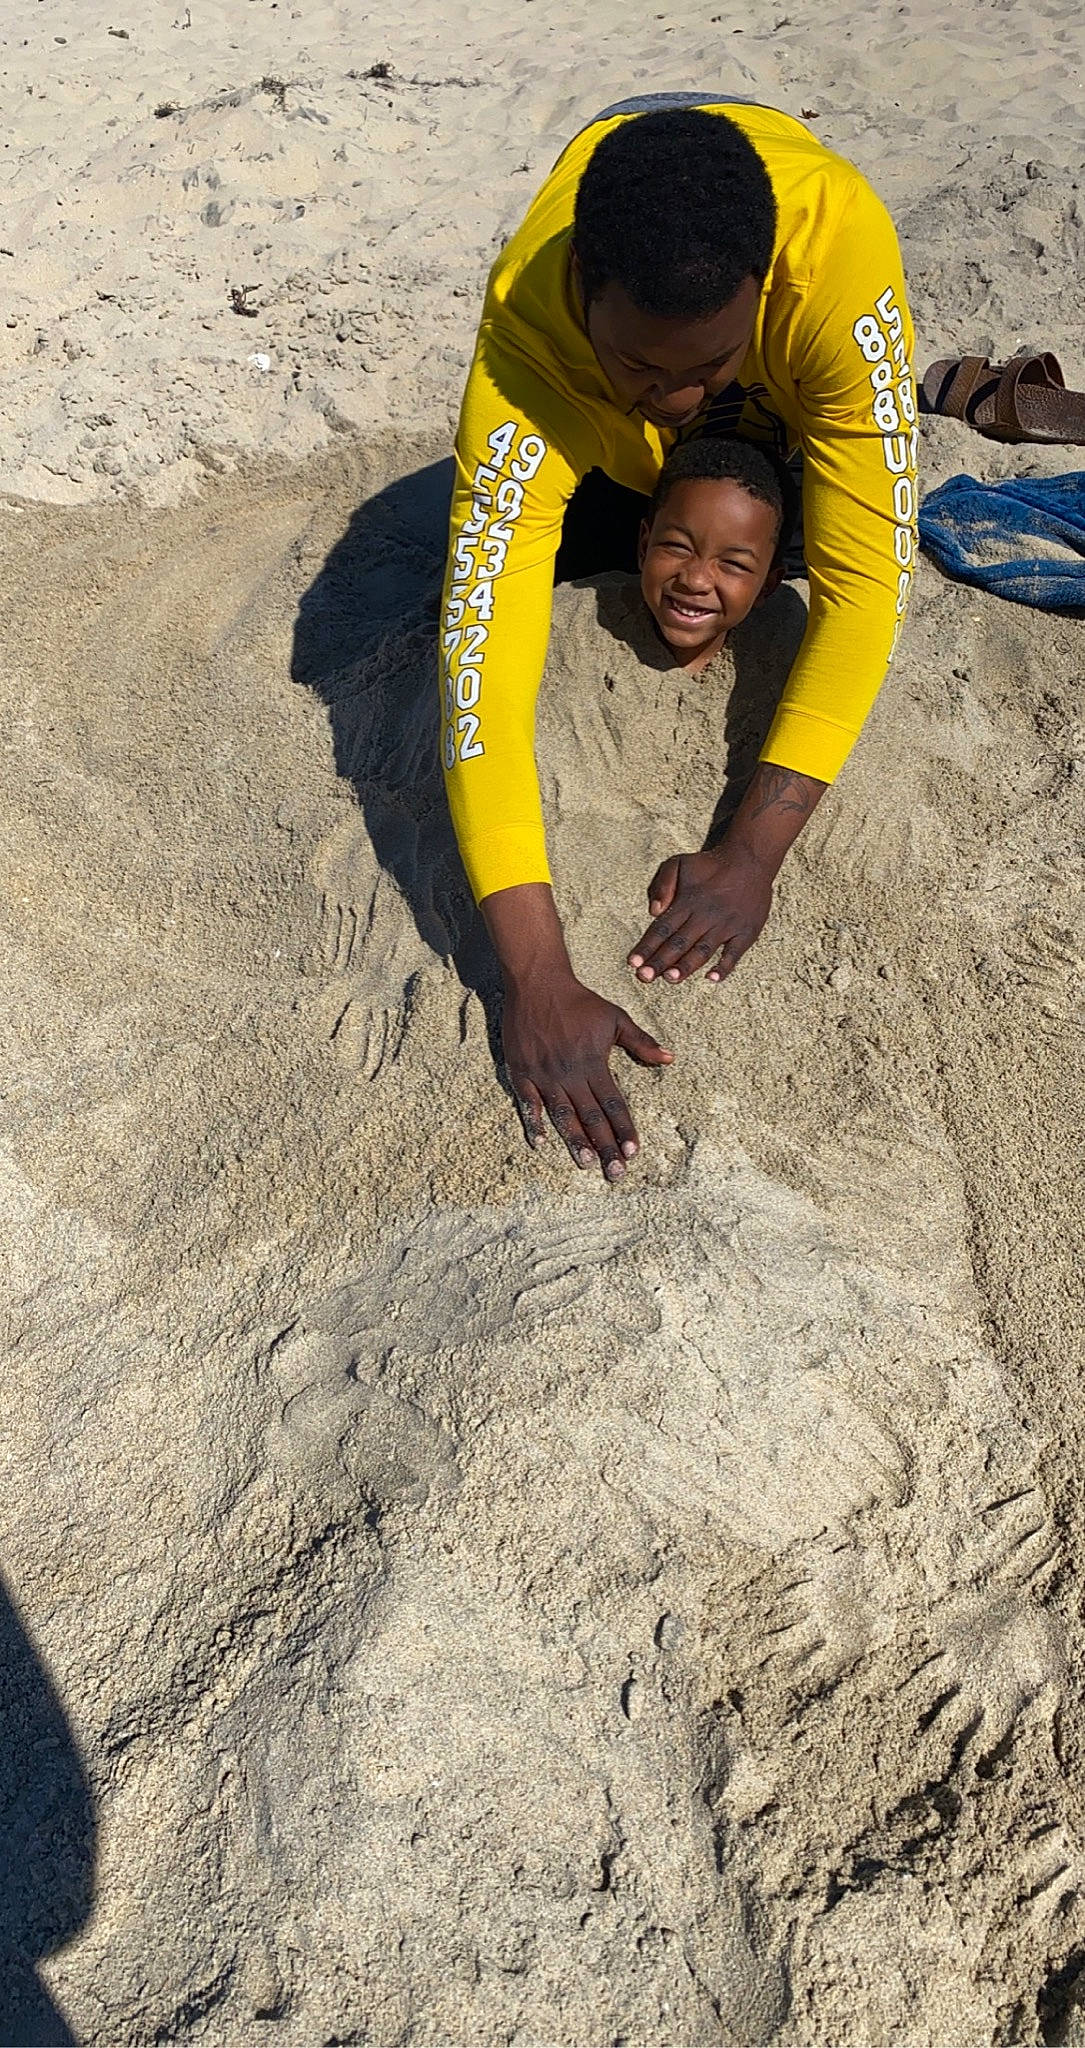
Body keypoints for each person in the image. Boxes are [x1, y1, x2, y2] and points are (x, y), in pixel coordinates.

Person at [439, 98, 917, 1181]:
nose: (674, 400)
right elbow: (480, 664)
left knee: (785, 518)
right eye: (640, 369)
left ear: (761, 293)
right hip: (591, 376)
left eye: (700, 366)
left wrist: (752, 851)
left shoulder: (834, 264)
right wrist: (536, 971)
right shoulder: (528, 326)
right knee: (593, 539)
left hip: (797, 368)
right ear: (581, 298)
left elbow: (864, 587)